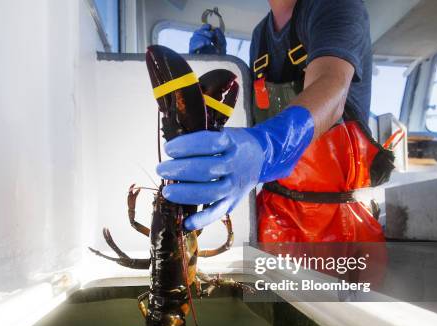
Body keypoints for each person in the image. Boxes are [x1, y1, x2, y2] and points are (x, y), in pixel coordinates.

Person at [156, 0, 394, 246]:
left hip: (339, 224)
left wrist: (270, 146)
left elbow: (331, 86)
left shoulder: (335, 5)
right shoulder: (261, 33)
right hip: (274, 216)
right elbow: (261, 107)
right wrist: (217, 61)